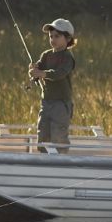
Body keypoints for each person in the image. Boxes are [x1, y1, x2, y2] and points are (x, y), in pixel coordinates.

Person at [28, 18, 76, 154]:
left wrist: (42, 73)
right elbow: (37, 73)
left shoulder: (68, 57)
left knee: (59, 136)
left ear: (67, 38)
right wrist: (33, 71)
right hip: (46, 102)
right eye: (51, 36)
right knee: (42, 133)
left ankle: (61, 163)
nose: (53, 39)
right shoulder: (46, 55)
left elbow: (59, 73)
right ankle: (45, 162)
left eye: (57, 36)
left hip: (61, 103)